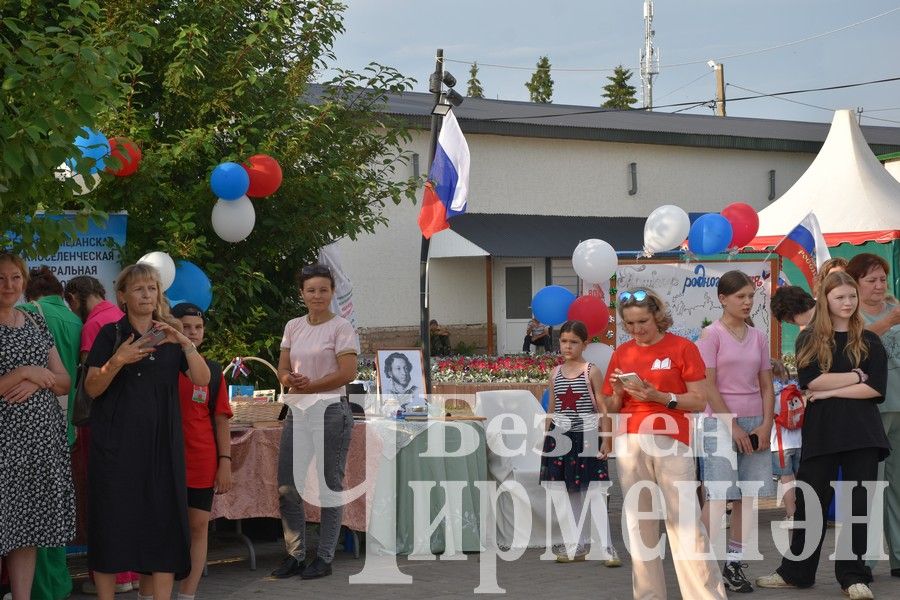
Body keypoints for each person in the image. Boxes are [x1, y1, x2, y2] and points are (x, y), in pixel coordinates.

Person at [757, 271, 889, 600]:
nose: (847, 303)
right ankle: (796, 572)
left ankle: (854, 576)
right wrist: (854, 377)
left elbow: (875, 388)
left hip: (863, 433)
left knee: (858, 505)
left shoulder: (870, 340)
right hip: (822, 433)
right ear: (825, 300)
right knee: (810, 503)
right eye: (839, 297)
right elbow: (811, 382)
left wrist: (831, 390)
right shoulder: (810, 339)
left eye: (851, 296)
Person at [83, 263, 210, 600]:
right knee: (112, 524)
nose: (146, 294)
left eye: (152, 288)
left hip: (161, 449)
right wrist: (119, 360)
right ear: (122, 296)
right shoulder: (109, 334)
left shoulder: (169, 336)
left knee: (163, 526)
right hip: (116, 449)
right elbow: (92, 388)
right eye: (138, 289)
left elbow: (202, 379)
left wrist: (185, 342)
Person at [602, 287, 726, 600]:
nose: (636, 329)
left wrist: (661, 397)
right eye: (629, 324)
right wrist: (616, 392)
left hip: (672, 441)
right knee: (639, 524)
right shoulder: (622, 353)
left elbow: (699, 401)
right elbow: (611, 408)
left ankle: (705, 595)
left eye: (642, 321)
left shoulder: (682, 347)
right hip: (630, 441)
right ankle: (648, 595)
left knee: (685, 522)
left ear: (658, 316)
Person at [272, 263, 359, 580]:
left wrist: (311, 384)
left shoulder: (341, 328)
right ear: (302, 294)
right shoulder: (293, 326)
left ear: (332, 292)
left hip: (331, 412)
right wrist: (288, 378)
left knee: (328, 487)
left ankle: (323, 558)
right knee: (287, 487)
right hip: (298, 411)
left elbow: (347, 374)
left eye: (323, 289)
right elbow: (282, 368)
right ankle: (295, 555)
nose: (317, 295)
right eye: (311, 290)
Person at [0, 252, 75, 600]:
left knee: (25, 531)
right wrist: (24, 372)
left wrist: (38, 379)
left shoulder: (35, 322)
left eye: (15, 278)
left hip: (39, 443)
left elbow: (63, 381)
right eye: (1, 278)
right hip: (4, 445)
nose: (9, 285)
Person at [696, 270, 775, 593]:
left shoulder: (758, 336)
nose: (747, 302)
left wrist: (767, 423)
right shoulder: (710, 335)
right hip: (719, 422)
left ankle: (734, 563)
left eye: (751, 296)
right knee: (717, 495)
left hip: (755, 420)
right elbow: (707, 385)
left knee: (747, 496)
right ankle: (699, 564)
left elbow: (767, 385)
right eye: (740, 296)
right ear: (722, 298)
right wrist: (731, 425)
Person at [63, 275, 136, 594]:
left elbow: (91, 383)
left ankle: (113, 577)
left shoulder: (94, 325)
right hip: (126, 421)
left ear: (75, 298)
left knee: (103, 500)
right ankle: (130, 573)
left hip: (100, 422)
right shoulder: (120, 317)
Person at [17, 266, 82, 600]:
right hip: (61, 426)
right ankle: (57, 587)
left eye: (15, 279)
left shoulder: (31, 315)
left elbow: (58, 378)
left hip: (35, 431)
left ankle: (43, 590)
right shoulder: (75, 320)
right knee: (48, 518)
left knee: (33, 521)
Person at [165, 302, 233, 600]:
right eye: (186, 327)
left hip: (202, 461)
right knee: (161, 528)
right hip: (163, 460)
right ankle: (150, 593)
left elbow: (220, 420)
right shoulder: (159, 366)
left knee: (198, 527)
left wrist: (225, 462)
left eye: (198, 327)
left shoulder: (212, 372)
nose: (192, 333)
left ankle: (187, 594)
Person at [538, 320, 617, 566]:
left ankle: (606, 548)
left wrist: (606, 438)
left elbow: (602, 407)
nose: (568, 346)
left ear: (584, 344)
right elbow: (552, 408)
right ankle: (576, 544)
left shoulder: (590, 370)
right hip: (560, 438)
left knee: (593, 491)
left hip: (587, 436)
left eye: (574, 342)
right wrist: (546, 437)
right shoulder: (555, 373)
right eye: (564, 341)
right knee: (567, 492)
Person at [846, 252, 900, 578]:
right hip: (871, 409)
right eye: (871, 280)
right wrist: (885, 324)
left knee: (897, 485)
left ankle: (899, 555)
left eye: (882, 278)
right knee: (870, 484)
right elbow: (853, 350)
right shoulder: (851, 315)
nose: (879, 285)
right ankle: (862, 560)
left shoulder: (895, 307)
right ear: (856, 283)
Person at [769, 358, 802, 526]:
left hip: (780, 444)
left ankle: (792, 515)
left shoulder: (771, 394)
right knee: (801, 477)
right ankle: (805, 512)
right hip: (798, 440)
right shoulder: (793, 390)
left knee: (786, 479)